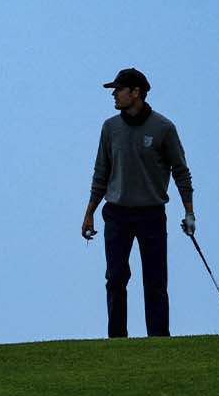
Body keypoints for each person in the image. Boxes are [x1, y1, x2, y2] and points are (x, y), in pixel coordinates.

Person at [81, 67, 195, 337]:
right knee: (116, 278)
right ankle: (117, 340)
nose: (114, 95)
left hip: (152, 215)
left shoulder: (163, 128)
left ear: (136, 92)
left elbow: (181, 172)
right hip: (117, 214)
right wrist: (89, 213)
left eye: (119, 90)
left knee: (156, 282)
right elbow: (101, 173)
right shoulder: (110, 128)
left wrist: (189, 212)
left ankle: (158, 341)